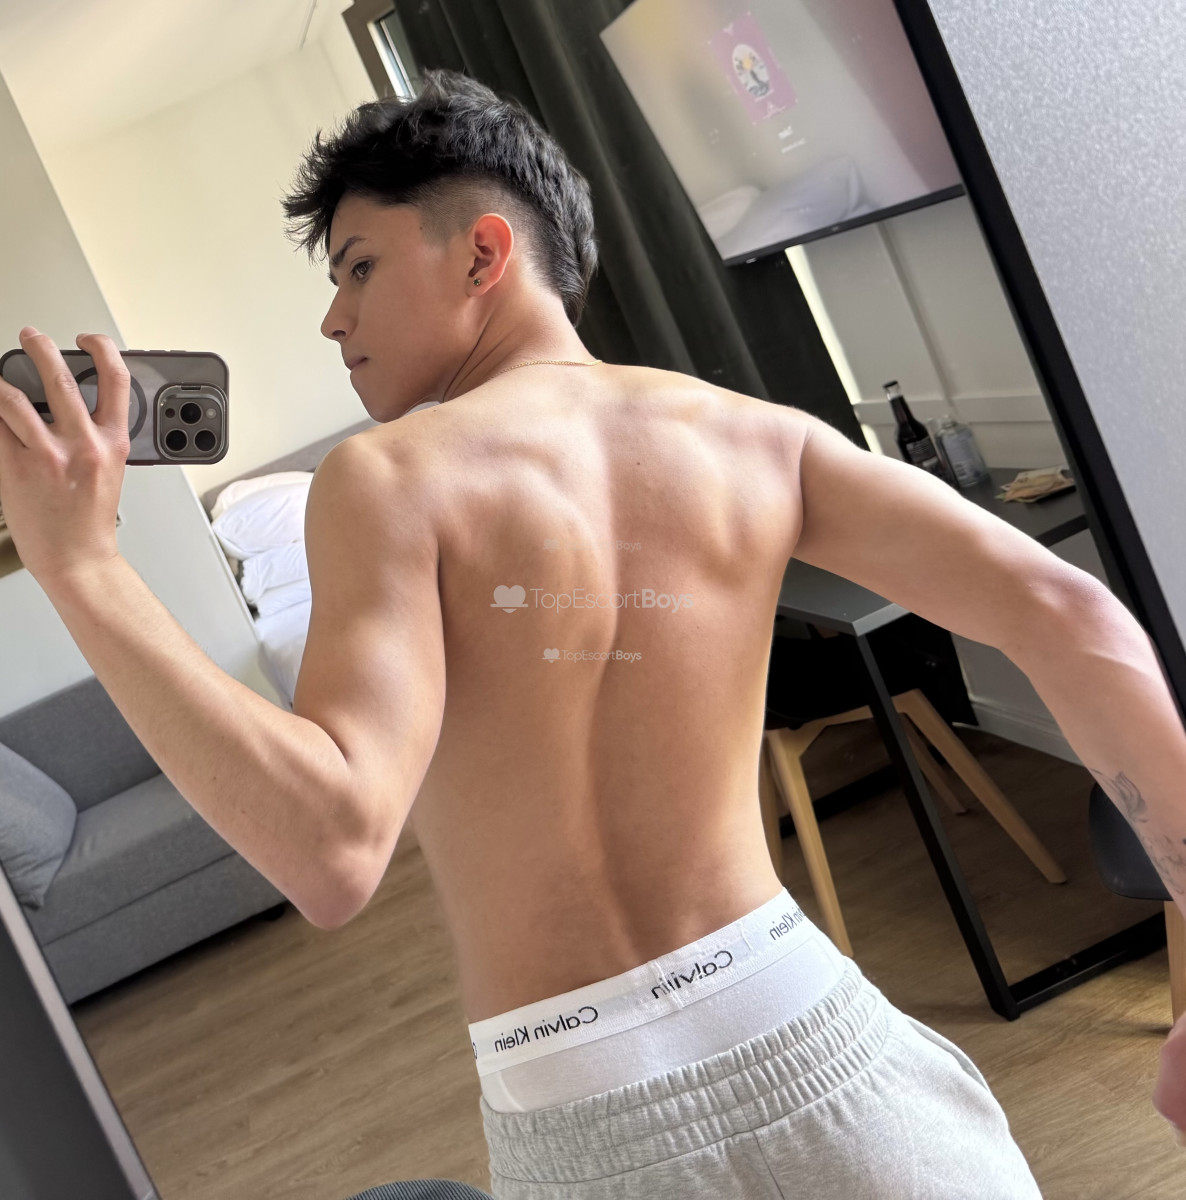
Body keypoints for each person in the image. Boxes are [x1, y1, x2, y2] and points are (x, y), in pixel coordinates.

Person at [2, 67, 1185, 1198]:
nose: (332, 317)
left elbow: (332, 851)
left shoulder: (387, 477)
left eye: (358, 267)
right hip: (827, 1050)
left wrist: (83, 565)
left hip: (587, 1117)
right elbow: (1073, 614)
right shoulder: (759, 439)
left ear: (484, 253)